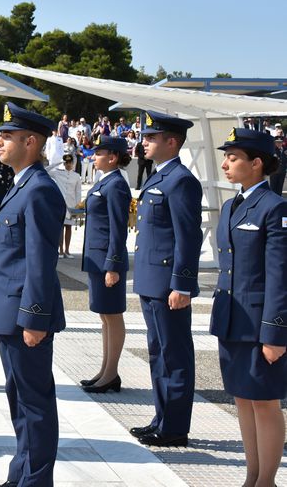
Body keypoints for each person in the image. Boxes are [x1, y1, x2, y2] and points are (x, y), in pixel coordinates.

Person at [0, 102, 65, 487]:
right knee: (20, 400)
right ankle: (20, 476)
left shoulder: (39, 190)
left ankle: (35, 482)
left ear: (30, 142)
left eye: (7, 136)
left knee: (34, 404)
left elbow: (40, 261)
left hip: (24, 317)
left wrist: (34, 318)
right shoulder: (21, 184)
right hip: (9, 312)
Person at [211, 128, 286, 487]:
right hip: (232, 318)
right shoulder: (231, 206)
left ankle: (266, 481)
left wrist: (275, 332)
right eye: (226, 157)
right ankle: (252, 477)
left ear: (256, 163)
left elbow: (279, 276)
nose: (226, 164)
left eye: (233, 158)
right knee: (242, 398)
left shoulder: (275, 208)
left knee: (265, 402)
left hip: (259, 324)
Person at [132, 110, 202, 447]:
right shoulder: (159, 176)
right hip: (151, 280)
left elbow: (188, 237)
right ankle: (161, 418)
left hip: (167, 284)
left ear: (171, 141)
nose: (144, 142)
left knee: (174, 355)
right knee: (158, 352)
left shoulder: (181, 180)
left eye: (151, 137)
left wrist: (182, 284)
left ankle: (174, 427)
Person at [79, 136, 131, 394]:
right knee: (104, 316)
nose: (94, 157)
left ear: (112, 157)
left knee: (112, 315)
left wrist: (113, 265)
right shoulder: (105, 181)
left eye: (99, 154)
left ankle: (111, 374)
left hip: (106, 260)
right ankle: (105, 370)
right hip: (97, 258)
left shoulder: (117, 184)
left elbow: (118, 229)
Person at [49, 153, 81, 258]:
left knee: (69, 227)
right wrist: (58, 163)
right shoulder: (58, 173)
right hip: (60, 204)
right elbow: (45, 170)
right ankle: (61, 250)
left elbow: (78, 192)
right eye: (66, 162)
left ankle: (67, 250)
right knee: (60, 228)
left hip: (71, 205)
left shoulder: (76, 176)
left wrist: (78, 207)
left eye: (70, 162)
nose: (68, 164)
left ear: (73, 163)